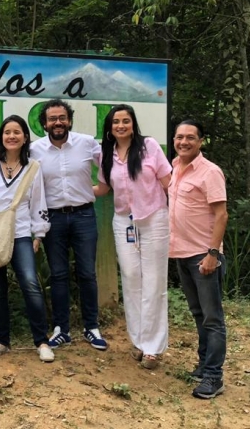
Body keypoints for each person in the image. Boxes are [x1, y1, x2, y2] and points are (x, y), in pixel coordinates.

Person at [0, 115, 54, 363]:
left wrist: (39, 232)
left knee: (30, 284)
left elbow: (38, 201)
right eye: (7, 132)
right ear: (1, 137)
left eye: (17, 132)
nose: (11, 136)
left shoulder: (32, 167)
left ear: (25, 137)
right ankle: (2, 341)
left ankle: (41, 341)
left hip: (21, 232)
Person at [94, 104, 172, 370]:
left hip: (154, 219)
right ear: (110, 127)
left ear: (133, 123)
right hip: (123, 222)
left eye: (126, 121)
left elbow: (168, 182)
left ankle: (153, 348)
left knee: (153, 280)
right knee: (130, 278)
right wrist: (68, 188)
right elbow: (103, 188)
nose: (121, 126)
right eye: (116, 122)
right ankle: (138, 341)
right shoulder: (107, 153)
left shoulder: (148, 146)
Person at [30, 99, 107, 351]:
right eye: (52, 119)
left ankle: (91, 327)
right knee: (59, 275)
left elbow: (109, 173)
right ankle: (61, 329)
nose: (58, 122)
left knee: (87, 273)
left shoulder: (87, 143)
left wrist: (92, 191)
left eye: (62, 117)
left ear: (69, 120)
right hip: (52, 219)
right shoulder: (34, 150)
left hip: (84, 215)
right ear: (44, 123)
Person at [169, 119, 228, 399]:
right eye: (179, 137)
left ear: (201, 141)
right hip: (181, 252)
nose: (184, 142)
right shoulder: (175, 166)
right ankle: (204, 365)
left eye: (190, 137)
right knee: (198, 314)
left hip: (203, 256)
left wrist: (212, 254)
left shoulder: (210, 172)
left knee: (213, 318)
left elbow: (221, 215)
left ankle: (214, 377)